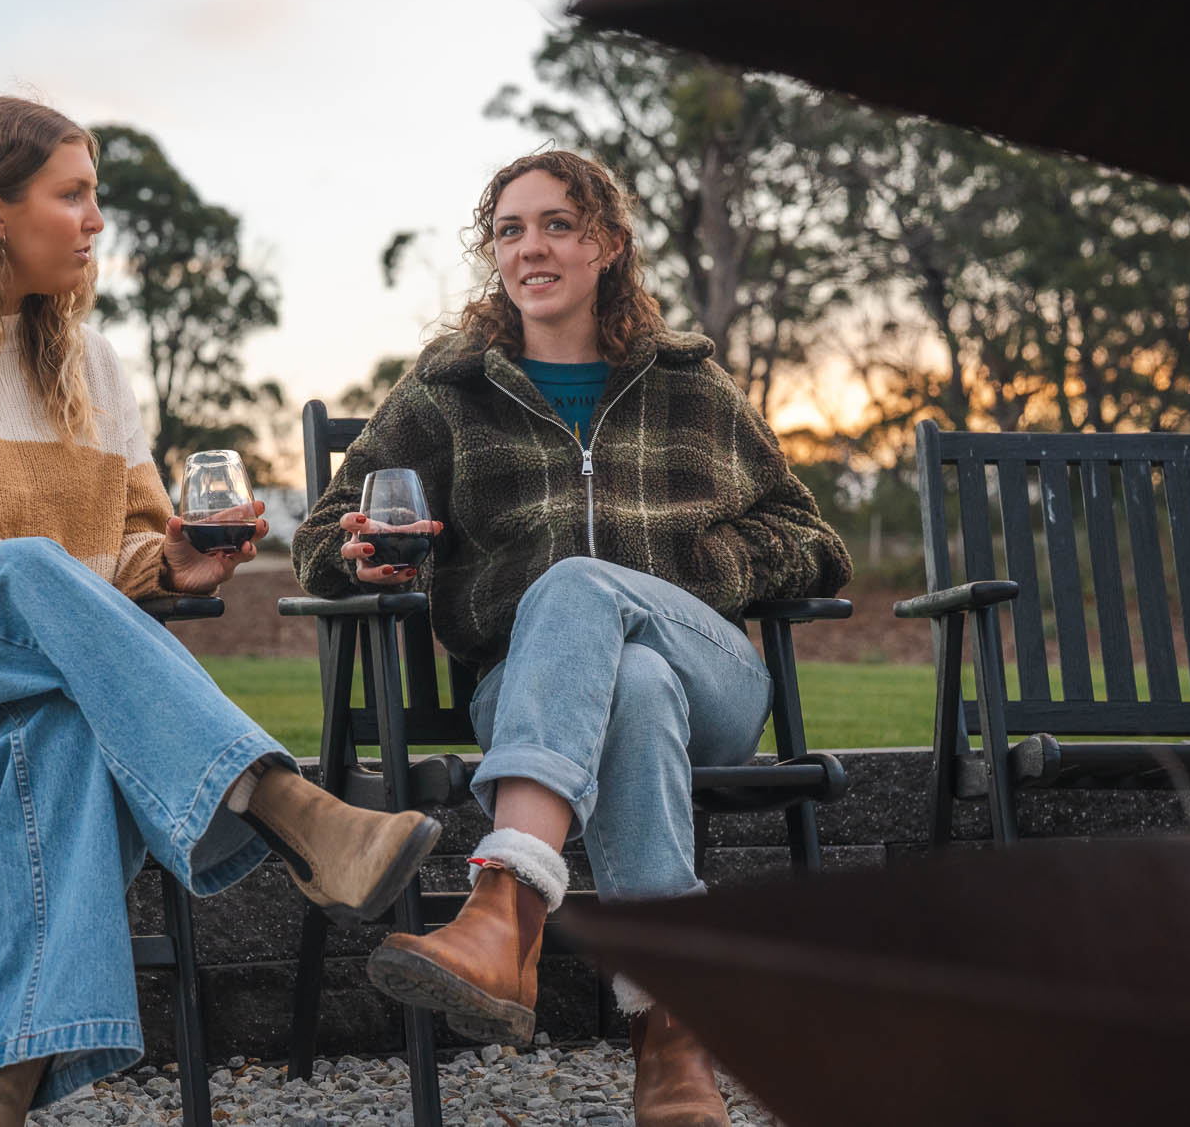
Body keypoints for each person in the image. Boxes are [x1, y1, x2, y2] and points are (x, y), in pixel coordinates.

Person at [0, 96, 441, 1127]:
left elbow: (126, 540)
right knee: (24, 576)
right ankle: (287, 806)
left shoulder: (91, 367)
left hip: (17, 681)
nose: (95, 220)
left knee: (72, 732)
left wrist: (169, 562)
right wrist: (73, 589)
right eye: (70, 195)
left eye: (95, 197)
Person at [291, 150, 851, 1127]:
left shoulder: (690, 387)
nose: (530, 246)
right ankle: (670, 1037)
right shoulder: (445, 393)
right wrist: (363, 559)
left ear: (605, 244)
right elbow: (321, 532)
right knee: (627, 685)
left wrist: (687, 574)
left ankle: (503, 909)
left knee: (597, 600)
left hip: (712, 679)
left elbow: (812, 540)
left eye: (555, 223)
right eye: (509, 229)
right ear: (492, 253)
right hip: (524, 691)